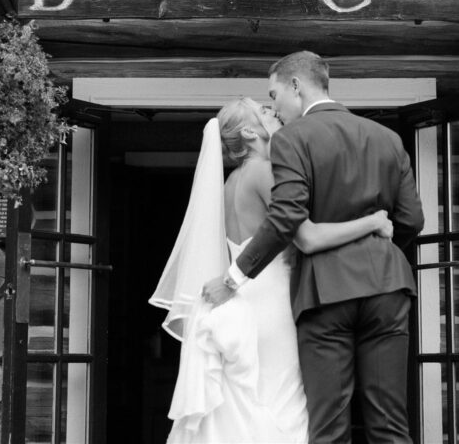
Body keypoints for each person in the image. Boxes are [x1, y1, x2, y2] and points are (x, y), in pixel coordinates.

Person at [204, 51, 425, 444]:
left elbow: (287, 217)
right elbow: (411, 222)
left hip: (325, 293)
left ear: (295, 86)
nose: (274, 107)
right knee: (390, 422)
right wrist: (377, 248)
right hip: (388, 289)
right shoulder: (388, 138)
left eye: (274, 96)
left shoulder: (293, 138)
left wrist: (235, 275)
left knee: (329, 424)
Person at [150, 95, 394, 444]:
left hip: (243, 299)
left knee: (251, 399)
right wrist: (372, 221)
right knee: (284, 401)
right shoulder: (265, 172)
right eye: (263, 110)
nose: (272, 112)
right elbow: (306, 237)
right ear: (250, 131)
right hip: (271, 304)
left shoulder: (232, 181)